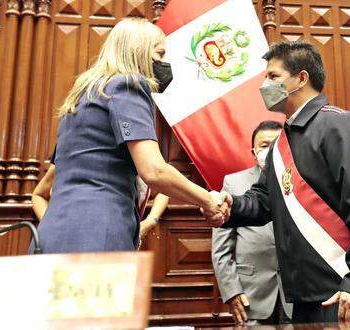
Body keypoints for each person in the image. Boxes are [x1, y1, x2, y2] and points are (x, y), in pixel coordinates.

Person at [208, 40, 350, 323]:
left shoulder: (341, 124)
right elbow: (263, 201)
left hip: (344, 290)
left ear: (301, 78)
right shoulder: (282, 142)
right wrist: (231, 207)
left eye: (273, 76)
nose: (264, 85)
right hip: (304, 293)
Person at [30, 17, 225, 254]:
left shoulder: (81, 98)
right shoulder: (128, 85)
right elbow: (153, 171)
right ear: (139, 52)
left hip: (52, 234)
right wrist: (207, 200)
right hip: (96, 235)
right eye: (160, 53)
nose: (163, 63)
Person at [212, 120, 293, 325]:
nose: (271, 150)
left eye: (276, 144)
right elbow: (221, 248)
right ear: (253, 151)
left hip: (296, 293)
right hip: (251, 293)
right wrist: (231, 292)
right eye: (265, 145)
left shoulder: (299, 181)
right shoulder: (233, 182)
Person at [31, 163, 169, 243]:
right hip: (68, 243)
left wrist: (151, 221)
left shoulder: (137, 163)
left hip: (116, 242)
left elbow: (164, 190)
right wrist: (53, 225)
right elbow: (38, 195)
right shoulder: (71, 156)